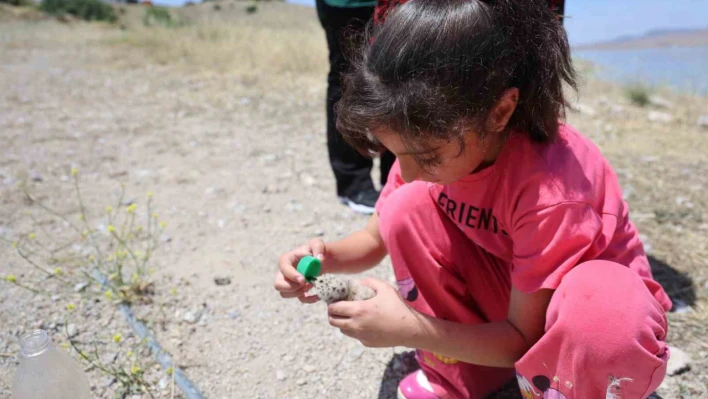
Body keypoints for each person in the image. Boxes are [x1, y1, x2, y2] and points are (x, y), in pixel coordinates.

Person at [276, 1, 671, 398]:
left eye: (426, 157)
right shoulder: (430, 139)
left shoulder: (551, 192)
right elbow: (373, 239)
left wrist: (410, 327)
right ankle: (464, 374)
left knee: (603, 320)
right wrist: (325, 256)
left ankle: (569, 385)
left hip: (569, 318)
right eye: (399, 154)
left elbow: (523, 336)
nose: (408, 172)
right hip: (516, 296)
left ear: (500, 111)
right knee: (403, 208)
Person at [316, 0, 396, 214]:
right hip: (346, 5)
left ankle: (397, 179)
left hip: (397, 4)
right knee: (347, 79)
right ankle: (353, 184)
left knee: (397, 75)